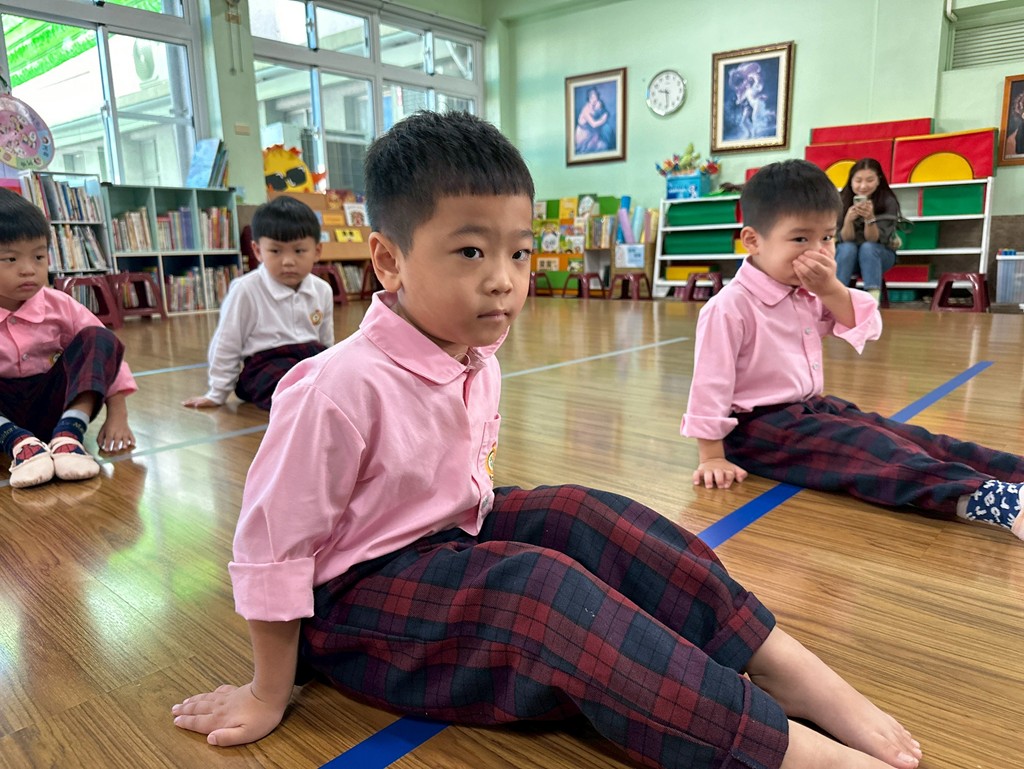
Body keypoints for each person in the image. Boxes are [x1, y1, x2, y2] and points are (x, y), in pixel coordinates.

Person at [171, 113, 923, 769]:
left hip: (444, 542)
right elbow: (271, 550)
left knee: (584, 514)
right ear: (390, 259)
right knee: (539, 593)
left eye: (520, 253)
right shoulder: (332, 387)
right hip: (351, 609)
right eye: (471, 252)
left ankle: (782, 664)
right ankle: (769, 744)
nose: (504, 279)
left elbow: (461, 495)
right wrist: (268, 690)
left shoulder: (476, 358)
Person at [682, 159, 1024, 542]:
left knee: (909, 436)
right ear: (753, 240)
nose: (818, 251)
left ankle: (1015, 471)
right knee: (875, 452)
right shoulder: (729, 307)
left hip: (810, 408)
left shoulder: (807, 292)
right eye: (800, 239)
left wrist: (830, 288)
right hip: (757, 430)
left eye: (827, 238)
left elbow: (865, 324)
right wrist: (712, 456)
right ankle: (997, 501)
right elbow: (709, 386)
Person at [0, 188, 136, 489]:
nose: (29, 270)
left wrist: (118, 414)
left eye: (39, 256)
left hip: (52, 406)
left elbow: (104, 353)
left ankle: (68, 435)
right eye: (10, 258)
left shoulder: (59, 305)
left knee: (99, 337)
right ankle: (18, 442)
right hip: (4, 414)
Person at [182, 195, 334, 411]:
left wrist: (332, 368)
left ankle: (322, 403)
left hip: (311, 356)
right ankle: (310, 408)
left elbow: (326, 341)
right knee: (292, 386)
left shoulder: (322, 289)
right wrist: (217, 392)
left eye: (299, 251)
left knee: (343, 376)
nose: (288, 261)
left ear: (317, 251)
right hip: (266, 363)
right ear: (257, 251)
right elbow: (227, 343)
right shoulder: (246, 289)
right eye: (275, 251)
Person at [834, 158, 901, 303]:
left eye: (870, 180)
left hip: (879, 255)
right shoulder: (841, 201)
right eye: (858, 180)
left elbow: (873, 240)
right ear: (851, 181)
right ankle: (837, 297)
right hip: (847, 257)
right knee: (846, 248)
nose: (863, 186)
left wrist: (870, 219)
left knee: (868, 248)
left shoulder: (888, 201)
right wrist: (848, 220)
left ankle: (872, 300)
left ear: (878, 180)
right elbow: (845, 239)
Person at [574, 87, 610, 153]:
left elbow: (602, 113)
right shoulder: (586, 109)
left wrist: (601, 111)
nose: (594, 100)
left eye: (595, 97)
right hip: (582, 135)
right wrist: (604, 119)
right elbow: (594, 124)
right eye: (592, 98)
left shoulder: (596, 106)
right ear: (589, 99)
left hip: (591, 133)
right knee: (600, 147)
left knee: (604, 144)